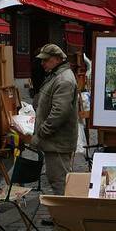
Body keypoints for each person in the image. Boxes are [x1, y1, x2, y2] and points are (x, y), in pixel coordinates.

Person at [32, 44, 78, 197]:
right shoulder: (57, 75)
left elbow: (59, 111)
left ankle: (64, 218)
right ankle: (62, 217)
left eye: (46, 60)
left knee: (59, 181)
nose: (42, 63)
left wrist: (43, 131)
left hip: (57, 142)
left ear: (58, 59)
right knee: (59, 179)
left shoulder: (64, 79)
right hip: (56, 141)